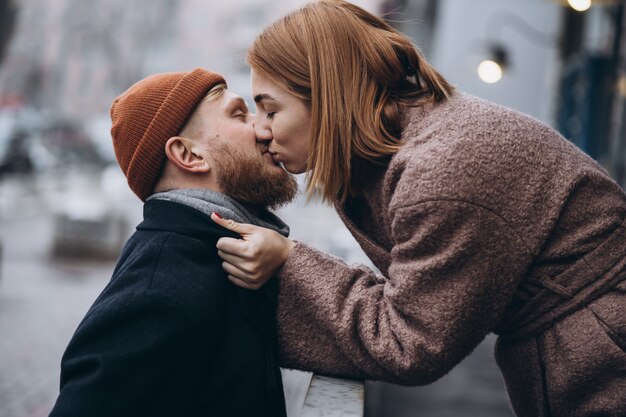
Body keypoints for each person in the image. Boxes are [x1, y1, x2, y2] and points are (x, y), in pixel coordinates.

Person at [210, 1, 626, 416]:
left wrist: (289, 261)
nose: (260, 130)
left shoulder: (441, 171)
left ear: (325, 94)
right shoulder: (405, 151)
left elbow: (410, 342)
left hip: (604, 357)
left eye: (271, 109)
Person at [49, 68, 296, 417]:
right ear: (189, 155)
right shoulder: (159, 294)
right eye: (239, 114)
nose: (263, 127)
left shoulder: (224, 254)